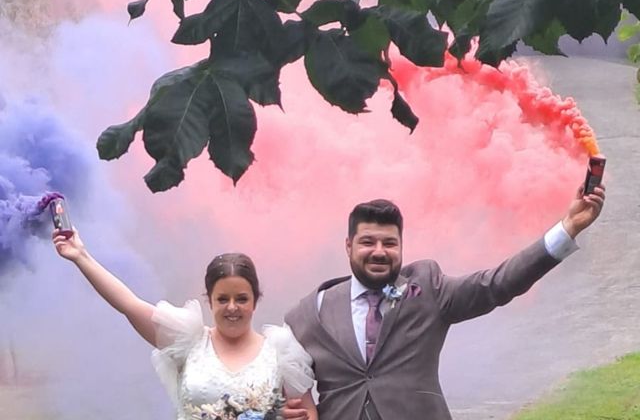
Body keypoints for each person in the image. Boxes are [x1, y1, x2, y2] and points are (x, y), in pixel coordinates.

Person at [282, 184, 606, 420]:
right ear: (349, 246)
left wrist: (568, 229)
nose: (379, 251)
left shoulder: (428, 288)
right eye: (368, 242)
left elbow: (498, 284)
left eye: (389, 243)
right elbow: (269, 378)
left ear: (401, 247)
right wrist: (282, 411)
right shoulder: (313, 312)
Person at [52, 230, 317, 420]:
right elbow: (128, 304)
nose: (232, 307)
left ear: (255, 301)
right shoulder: (188, 341)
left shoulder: (280, 352)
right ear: (210, 301)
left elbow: (308, 415)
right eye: (223, 299)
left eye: (242, 299)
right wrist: (81, 256)